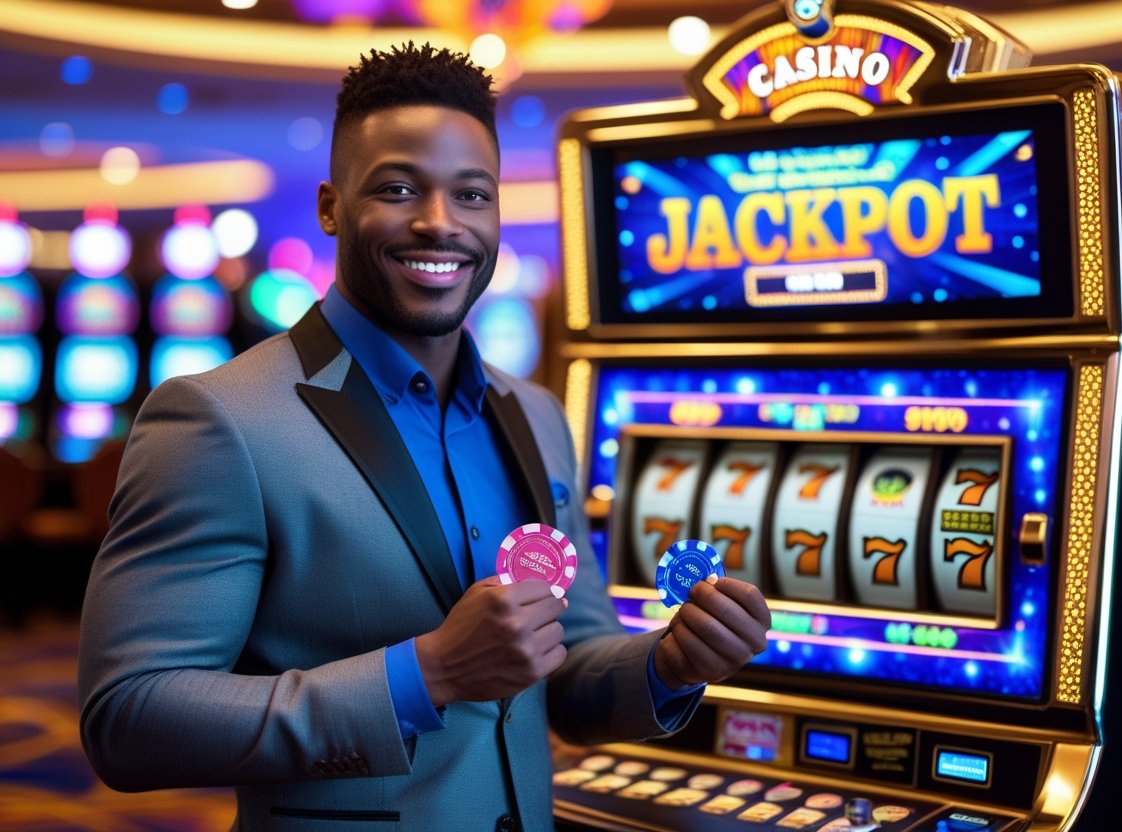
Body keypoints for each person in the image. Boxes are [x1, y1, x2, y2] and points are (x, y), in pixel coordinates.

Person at [76, 42, 771, 832]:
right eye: (398, 189)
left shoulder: (538, 413)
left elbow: (567, 665)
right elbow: (128, 720)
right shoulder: (218, 418)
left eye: (472, 195)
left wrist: (667, 663)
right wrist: (427, 674)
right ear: (332, 207)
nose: (440, 224)